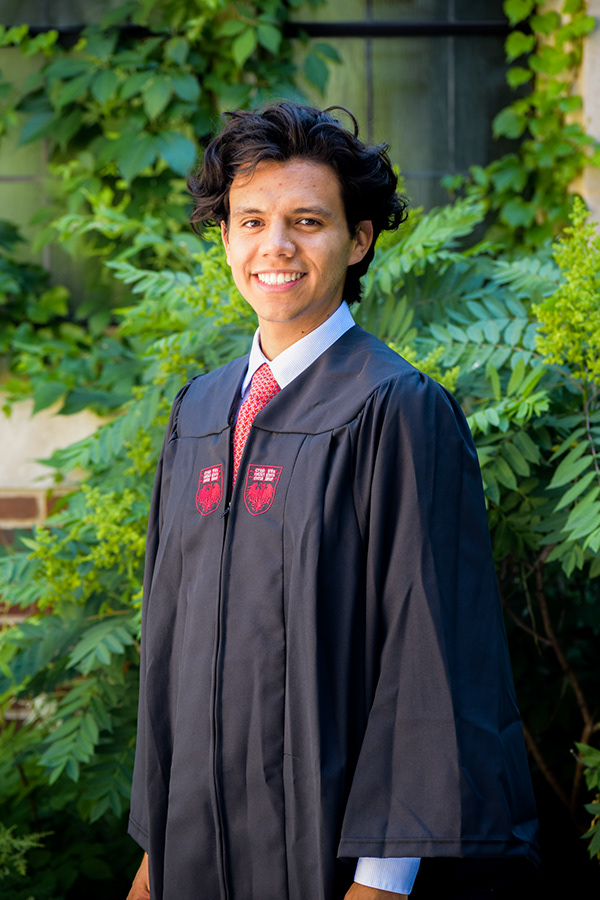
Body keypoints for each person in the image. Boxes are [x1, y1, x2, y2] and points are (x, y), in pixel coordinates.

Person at [127, 103, 539, 900]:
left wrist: (384, 880)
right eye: (251, 220)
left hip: (335, 862)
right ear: (224, 240)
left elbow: (432, 656)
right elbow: (169, 645)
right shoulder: (200, 413)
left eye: (307, 220)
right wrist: (154, 854)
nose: (274, 246)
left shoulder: (396, 408)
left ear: (358, 241)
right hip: (194, 859)